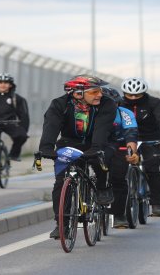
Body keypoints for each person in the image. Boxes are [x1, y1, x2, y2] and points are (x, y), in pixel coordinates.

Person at [38, 75, 116, 239]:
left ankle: (102, 187)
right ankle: (62, 225)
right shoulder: (60, 104)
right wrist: (46, 148)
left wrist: (95, 148)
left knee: (100, 159)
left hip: (97, 141)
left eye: (100, 91)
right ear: (78, 93)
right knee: (60, 182)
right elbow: (51, 126)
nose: (100, 95)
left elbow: (102, 128)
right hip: (69, 142)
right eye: (94, 92)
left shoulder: (107, 103)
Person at [119, 77, 160, 217]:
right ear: (124, 93)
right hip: (126, 139)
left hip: (150, 139)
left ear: (144, 93)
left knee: (152, 169)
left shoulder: (154, 102)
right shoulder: (118, 103)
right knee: (120, 169)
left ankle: (156, 203)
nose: (133, 98)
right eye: (129, 95)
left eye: (137, 95)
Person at [100, 87, 141, 229]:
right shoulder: (90, 114)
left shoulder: (125, 114)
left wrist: (132, 153)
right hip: (99, 145)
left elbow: (131, 134)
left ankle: (119, 215)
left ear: (118, 104)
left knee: (118, 177)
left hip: (120, 145)